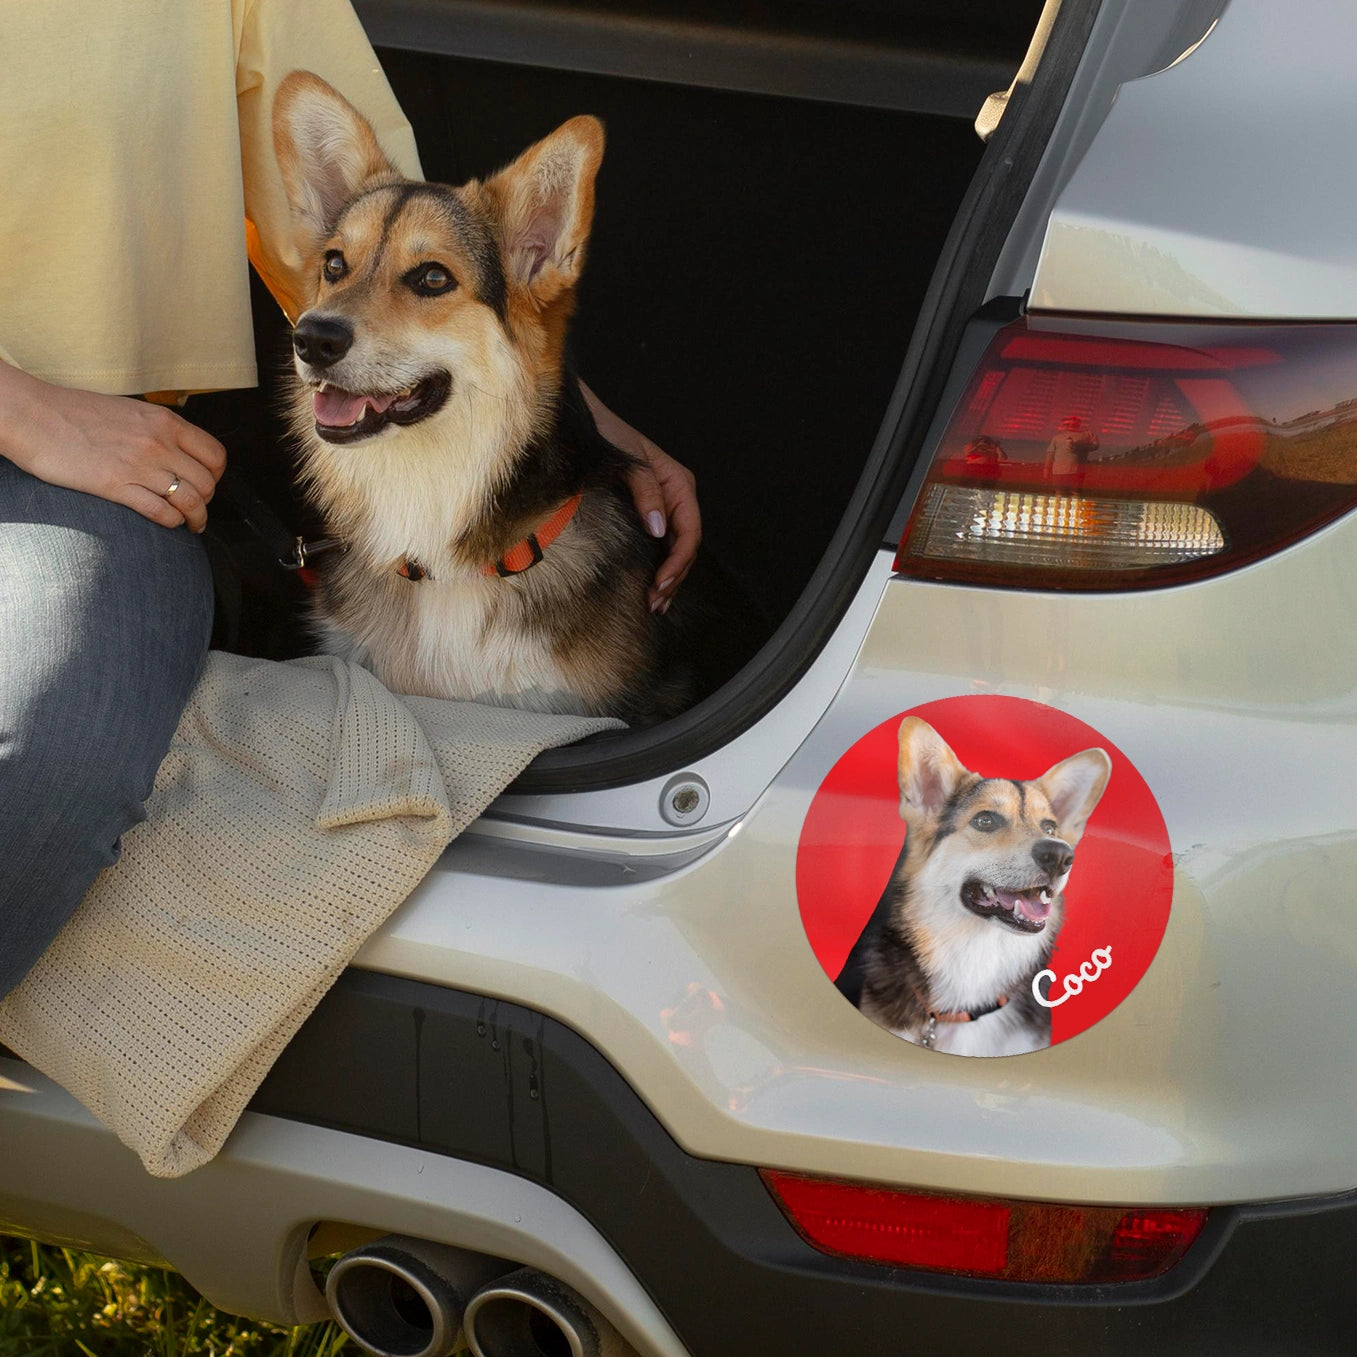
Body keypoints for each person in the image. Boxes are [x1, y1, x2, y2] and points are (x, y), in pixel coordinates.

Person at [0, 0, 699, 999]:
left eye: (412, 277)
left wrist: (592, 424)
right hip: (53, 435)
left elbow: (443, 267)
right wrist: (19, 407)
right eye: (334, 270)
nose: (335, 307)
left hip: (94, 461)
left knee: (42, 740)